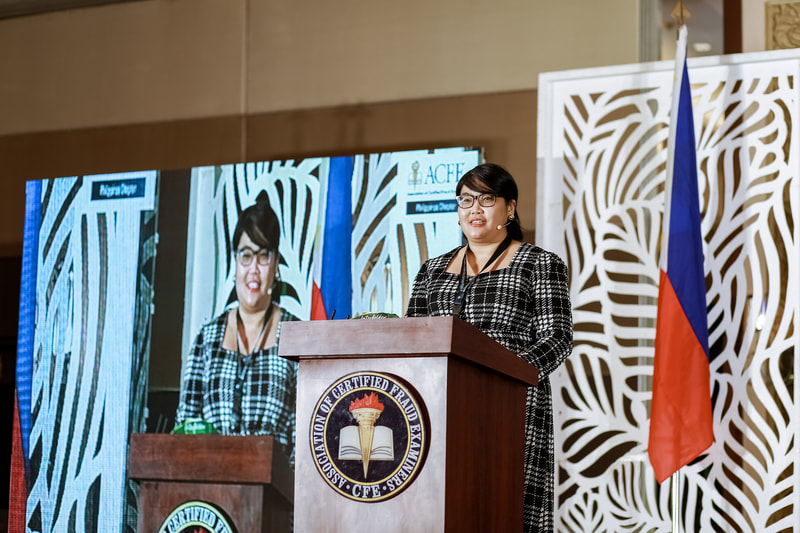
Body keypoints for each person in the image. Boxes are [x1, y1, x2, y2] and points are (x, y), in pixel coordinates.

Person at [405, 163, 573, 532]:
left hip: (512, 402)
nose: (474, 209)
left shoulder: (540, 264)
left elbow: (557, 338)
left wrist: (504, 375)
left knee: (505, 505)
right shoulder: (432, 270)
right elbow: (412, 337)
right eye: (465, 200)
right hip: (440, 404)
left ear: (510, 208)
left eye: (486, 199)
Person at [175, 192, 298, 463]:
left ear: (276, 265)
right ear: (235, 261)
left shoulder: (297, 336)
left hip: (277, 486)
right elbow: (185, 427)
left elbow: (304, 439)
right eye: (246, 255)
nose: (253, 268)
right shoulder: (206, 339)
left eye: (263, 256)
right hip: (210, 482)